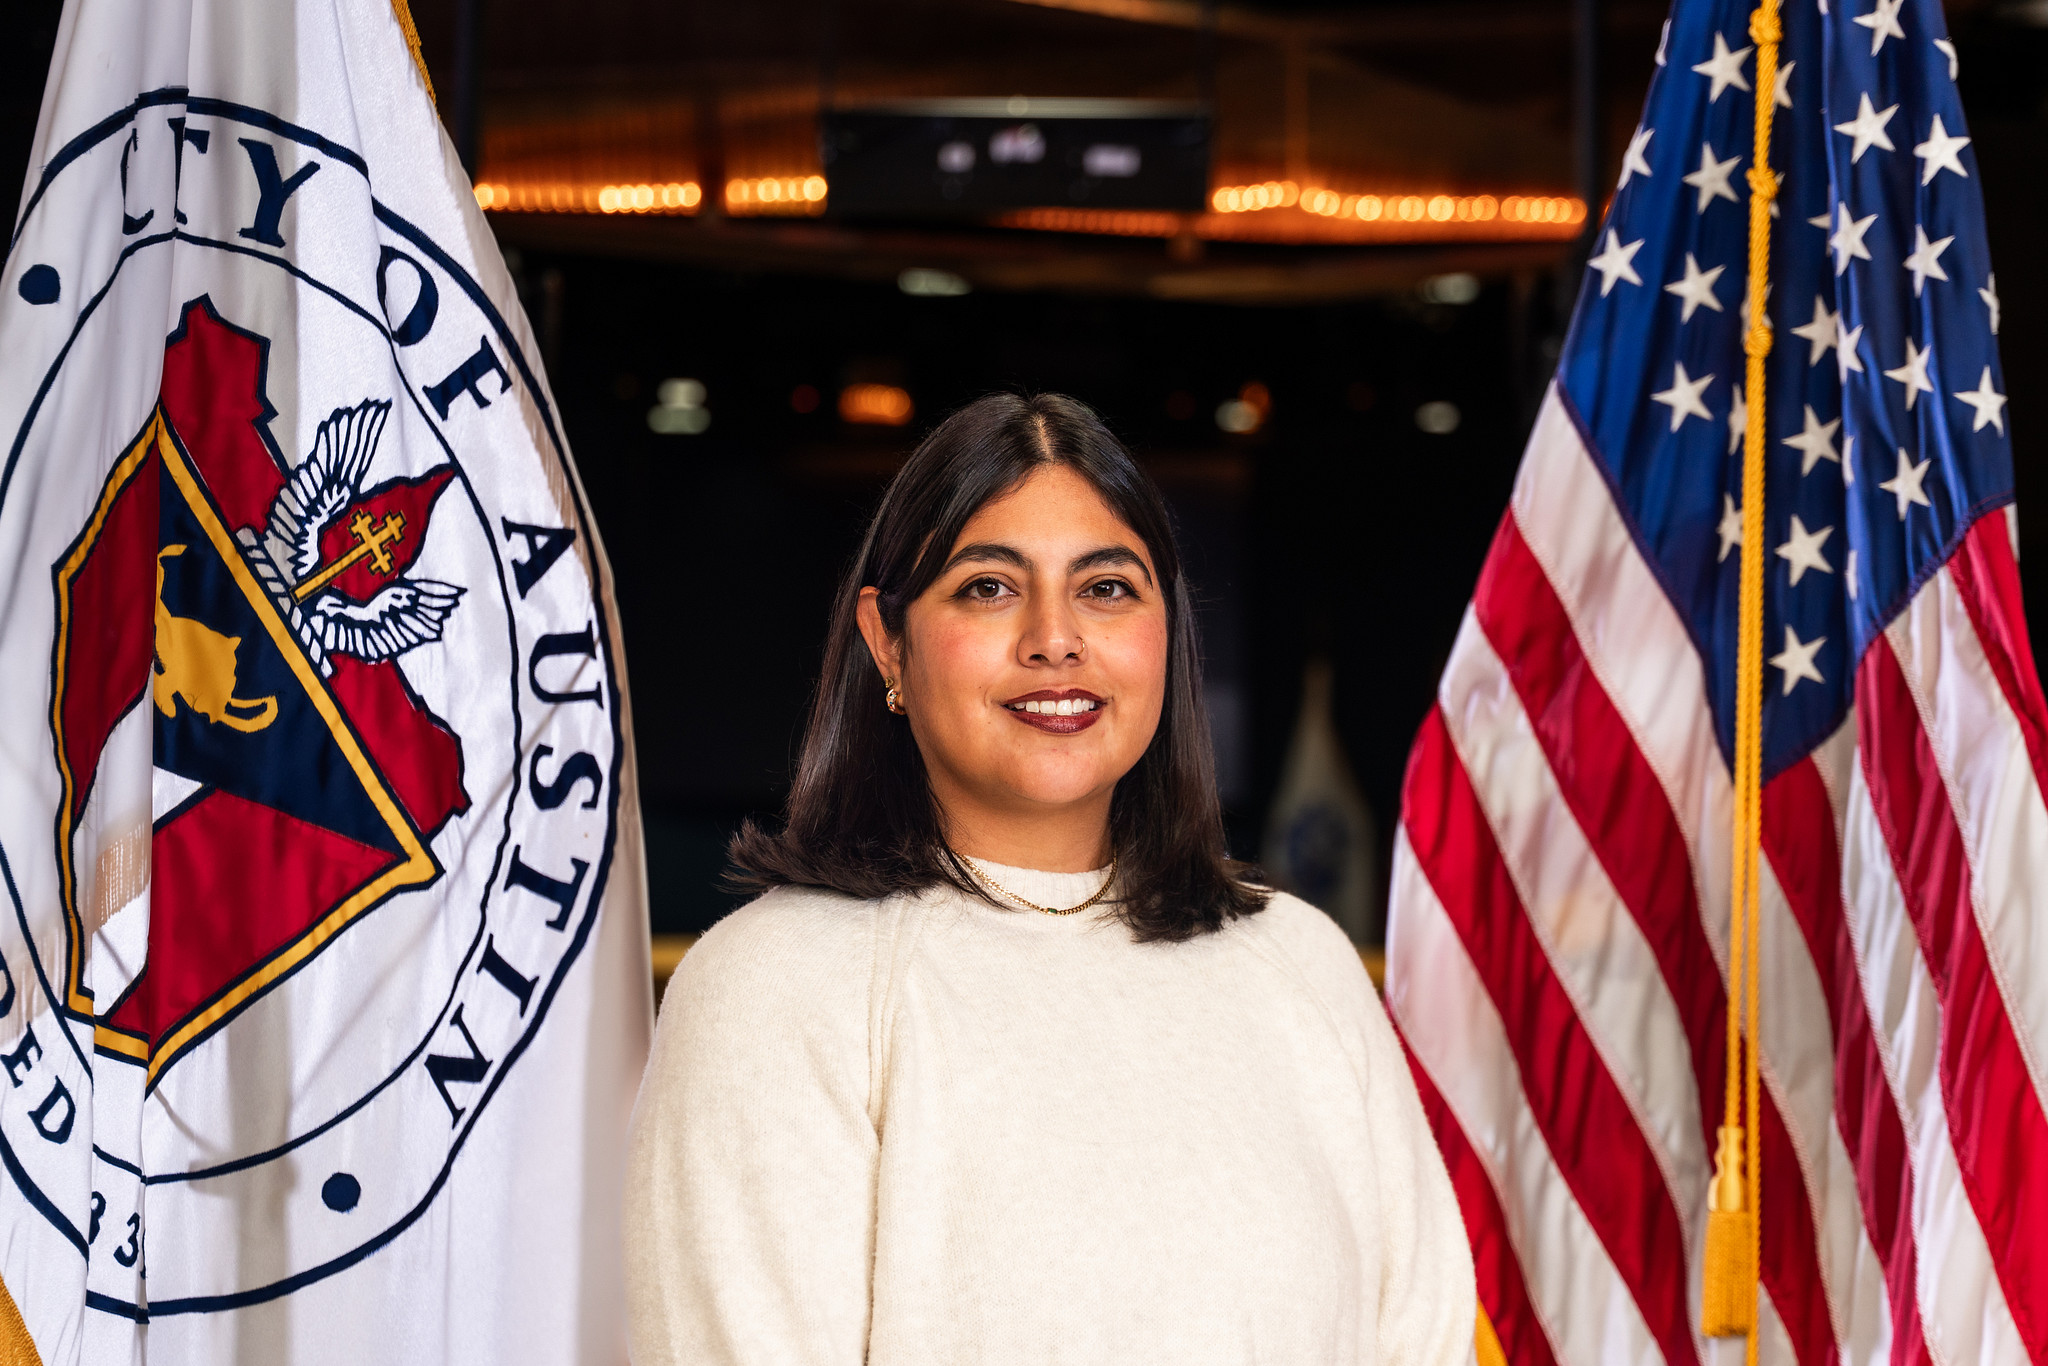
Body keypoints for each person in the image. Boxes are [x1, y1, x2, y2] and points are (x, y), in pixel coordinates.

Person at [623, 393, 1475, 1364]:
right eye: (987, 586)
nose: (1053, 637)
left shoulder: (1301, 965)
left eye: (1106, 588)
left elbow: (1422, 1338)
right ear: (886, 642)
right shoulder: (773, 988)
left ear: (1168, 630)